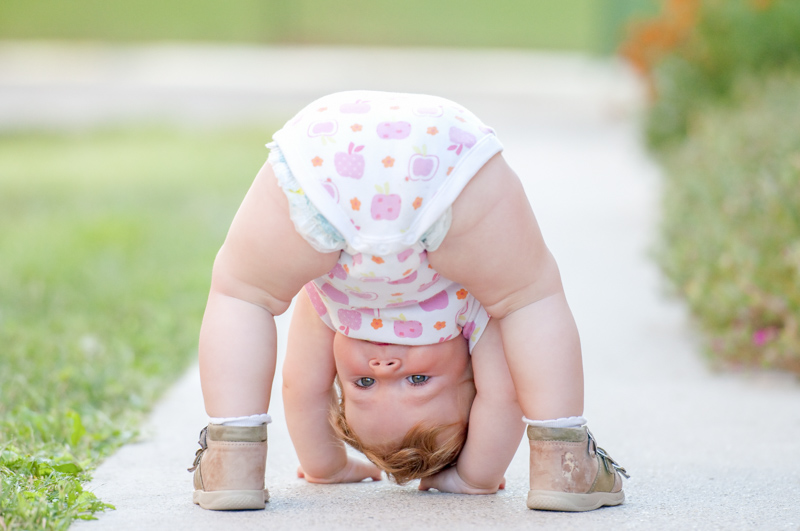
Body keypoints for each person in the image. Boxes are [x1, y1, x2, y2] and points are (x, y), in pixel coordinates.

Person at [188, 90, 628, 513]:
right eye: (419, 380)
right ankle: (563, 462)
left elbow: (303, 387)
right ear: (469, 367)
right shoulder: (469, 315)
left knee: (242, 291)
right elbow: (505, 394)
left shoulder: (331, 312)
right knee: (527, 297)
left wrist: (327, 465)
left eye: (362, 385)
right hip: (435, 166)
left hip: (328, 157)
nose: (384, 368)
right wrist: (474, 477)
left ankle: (233, 461)